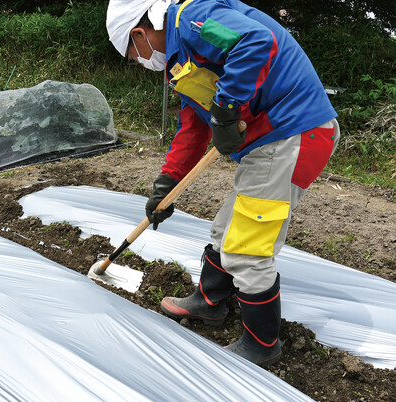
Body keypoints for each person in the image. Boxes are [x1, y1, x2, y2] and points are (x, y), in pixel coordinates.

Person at [106, 0, 340, 366]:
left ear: (139, 34)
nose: (138, 61)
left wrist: (226, 108)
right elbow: (192, 127)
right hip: (270, 143)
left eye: (132, 55)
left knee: (247, 248)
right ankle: (210, 301)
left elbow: (254, 40)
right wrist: (167, 182)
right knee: (225, 229)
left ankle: (262, 344)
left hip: (294, 133)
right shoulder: (179, 61)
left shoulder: (193, 18)